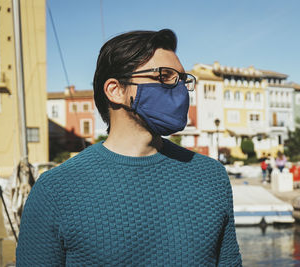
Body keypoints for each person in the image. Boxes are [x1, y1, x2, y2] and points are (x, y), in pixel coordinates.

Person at [16, 29, 242, 266]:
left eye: (183, 80)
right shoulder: (55, 191)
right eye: (164, 76)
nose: (180, 89)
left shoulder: (211, 177)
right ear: (116, 90)